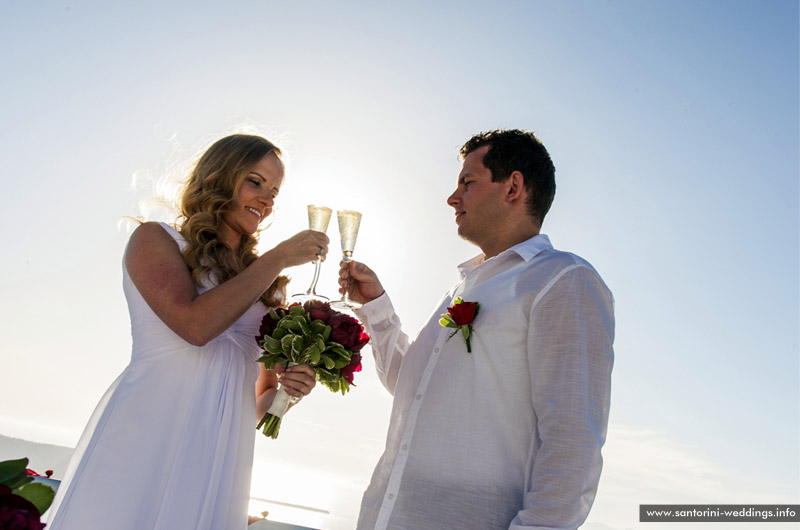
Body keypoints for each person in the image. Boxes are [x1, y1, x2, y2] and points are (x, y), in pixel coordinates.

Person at [47, 134, 326, 530]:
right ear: (220, 176)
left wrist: (287, 393)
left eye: (275, 191)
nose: (267, 199)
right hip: (147, 434)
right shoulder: (156, 239)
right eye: (255, 181)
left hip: (215, 458)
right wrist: (279, 257)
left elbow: (258, 398)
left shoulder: (266, 286)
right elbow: (195, 327)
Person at [339, 129, 615, 530]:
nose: (453, 198)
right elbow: (411, 388)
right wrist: (376, 306)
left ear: (513, 186)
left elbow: (573, 442)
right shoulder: (460, 288)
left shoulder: (563, 280)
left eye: (467, 183)